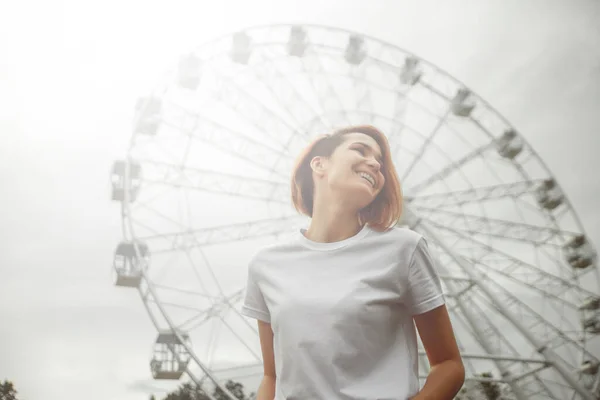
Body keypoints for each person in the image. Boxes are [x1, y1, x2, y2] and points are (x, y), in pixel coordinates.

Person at [241, 125, 465, 400]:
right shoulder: (266, 265)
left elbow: (448, 365)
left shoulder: (404, 249)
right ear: (319, 164)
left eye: (380, 163)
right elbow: (272, 376)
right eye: (360, 150)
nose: (374, 163)